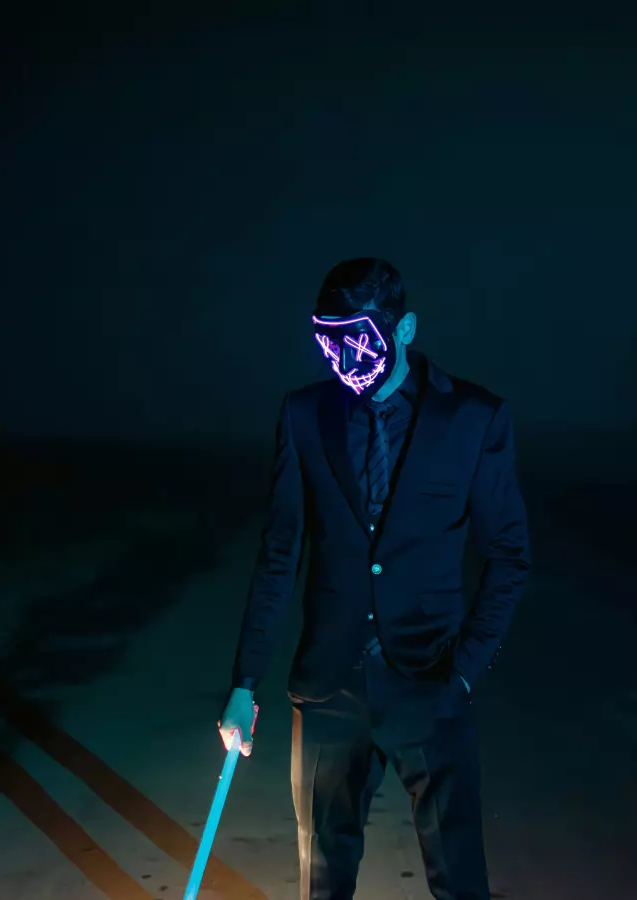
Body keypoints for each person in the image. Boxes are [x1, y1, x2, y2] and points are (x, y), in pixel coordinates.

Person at [218, 258, 531, 900]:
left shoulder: (473, 418)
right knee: (323, 883)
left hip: (431, 685)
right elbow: (280, 552)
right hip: (329, 692)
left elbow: (510, 555)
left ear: (405, 328)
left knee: (461, 884)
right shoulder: (306, 415)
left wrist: (463, 672)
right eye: (327, 337)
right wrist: (244, 684)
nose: (342, 355)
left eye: (356, 336)